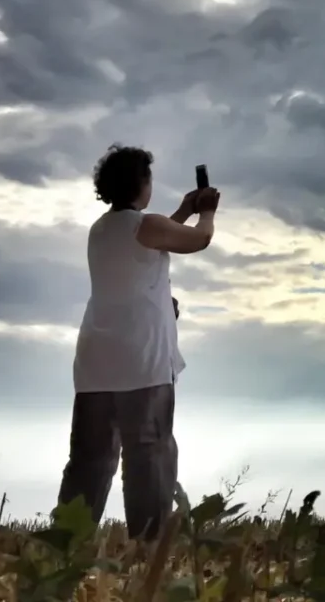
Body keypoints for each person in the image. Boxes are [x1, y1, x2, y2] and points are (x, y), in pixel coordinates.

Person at [56, 144, 220, 541]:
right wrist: (207, 212)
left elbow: (151, 242)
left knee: (89, 461)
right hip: (141, 359)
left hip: (96, 360)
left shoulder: (101, 228)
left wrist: (181, 211)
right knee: (149, 456)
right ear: (141, 183)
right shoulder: (146, 227)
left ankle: (63, 547)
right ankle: (147, 552)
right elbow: (198, 240)